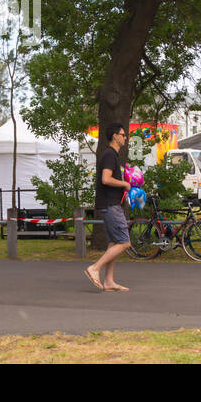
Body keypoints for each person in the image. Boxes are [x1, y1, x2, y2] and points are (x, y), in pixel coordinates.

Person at [85, 124, 131, 292]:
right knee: (125, 242)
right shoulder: (109, 155)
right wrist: (125, 184)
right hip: (110, 205)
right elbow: (106, 179)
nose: (125, 137)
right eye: (123, 135)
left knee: (114, 243)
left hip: (111, 204)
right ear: (114, 136)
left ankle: (109, 281)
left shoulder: (112, 155)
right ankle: (95, 268)